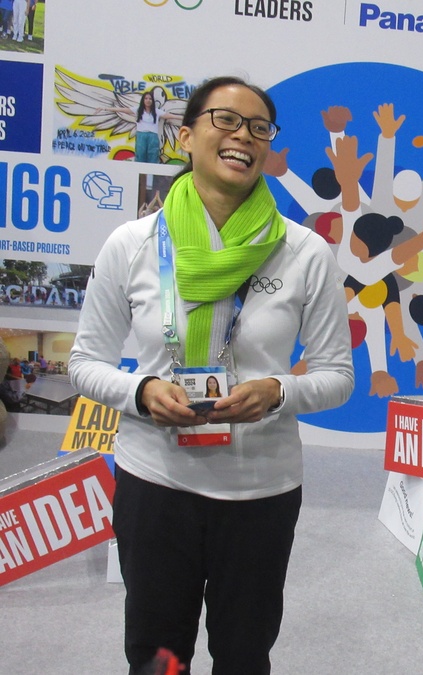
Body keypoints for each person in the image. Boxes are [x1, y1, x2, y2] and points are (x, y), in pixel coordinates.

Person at [69, 75, 355, 674]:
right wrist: (141, 392)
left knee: (244, 655)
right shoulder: (133, 244)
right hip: (155, 482)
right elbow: (85, 364)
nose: (242, 136)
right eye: (225, 120)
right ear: (186, 135)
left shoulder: (305, 253)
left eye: (258, 128)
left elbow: (336, 376)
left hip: (261, 490)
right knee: (157, 654)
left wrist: (278, 393)